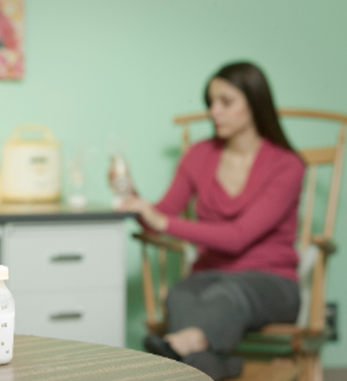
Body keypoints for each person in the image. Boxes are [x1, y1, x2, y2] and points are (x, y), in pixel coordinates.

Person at [118, 62, 304, 380]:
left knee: (227, 293)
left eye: (225, 102)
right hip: (210, 278)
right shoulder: (199, 155)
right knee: (180, 295)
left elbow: (237, 237)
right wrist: (132, 195)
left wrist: (161, 221)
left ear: (255, 102)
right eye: (210, 102)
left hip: (272, 284)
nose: (213, 111)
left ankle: (184, 343)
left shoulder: (287, 166)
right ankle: (221, 364)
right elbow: (158, 217)